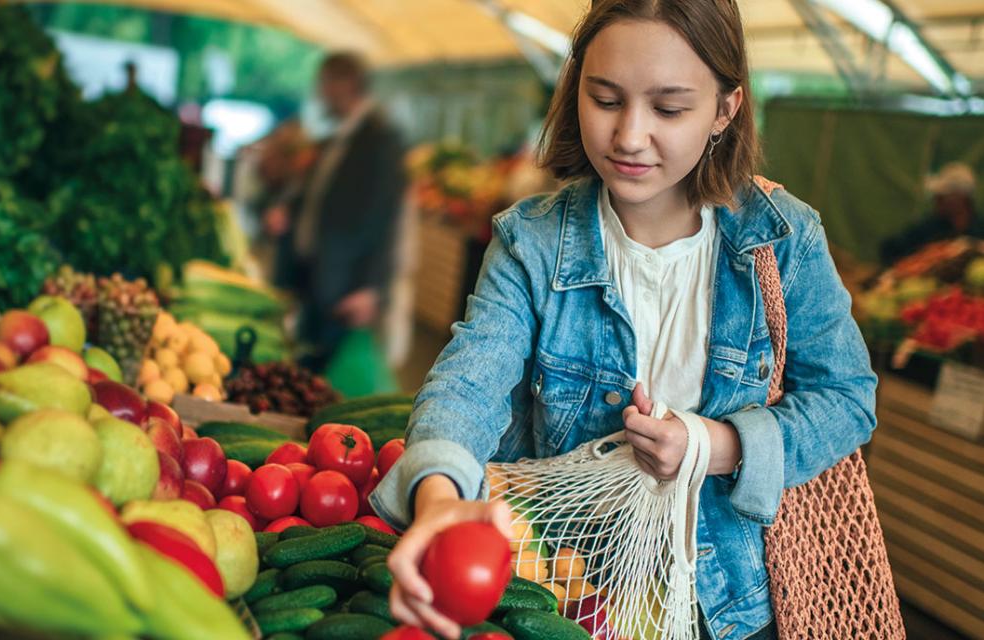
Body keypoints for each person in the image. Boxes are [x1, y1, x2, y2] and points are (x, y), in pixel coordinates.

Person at [369, 2, 877, 639]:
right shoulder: (532, 242)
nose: (630, 136)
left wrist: (718, 447)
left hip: (734, 610)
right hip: (564, 593)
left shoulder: (783, 240)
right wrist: (440, 496)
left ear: (726, 108)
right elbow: (468, 380)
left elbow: (848, 399)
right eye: (605, 99)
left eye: (668, 109)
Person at [263, 52, 407, 372]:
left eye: (325, 84)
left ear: (347, 84)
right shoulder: (335, 137)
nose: (320, 93)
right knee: (304, 361)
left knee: (326, 372)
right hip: (314, 273)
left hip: (343, 286)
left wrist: (371, 287)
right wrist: (288, 211)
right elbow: (319, 197)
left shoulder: (380, 141)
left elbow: (385, 220)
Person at [880, 162, 981, 264]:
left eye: (942, 196)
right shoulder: (928, 228)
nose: (936, 200)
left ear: (962, 198)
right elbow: (890, 248)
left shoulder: (979, 228)